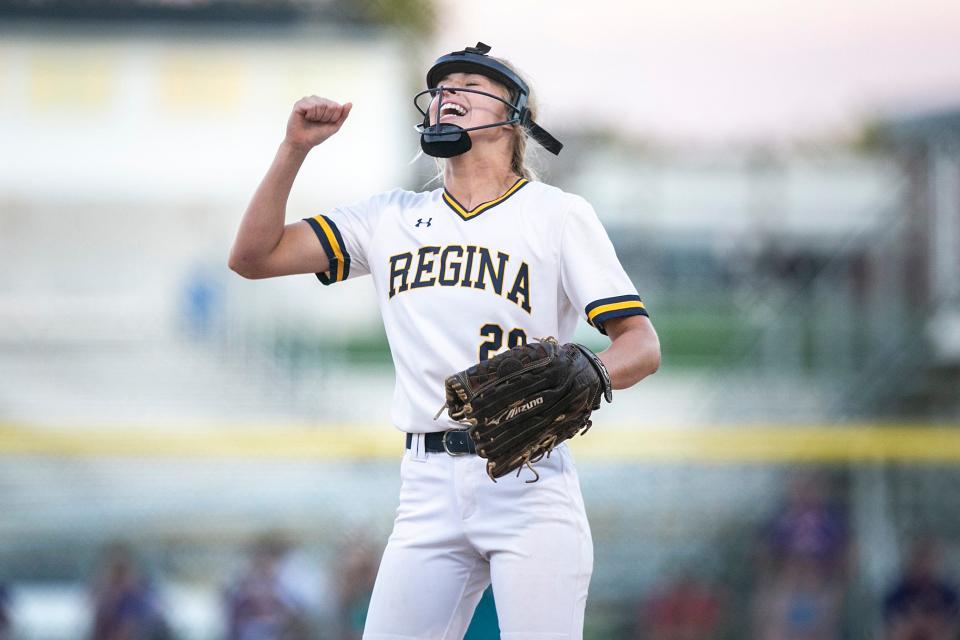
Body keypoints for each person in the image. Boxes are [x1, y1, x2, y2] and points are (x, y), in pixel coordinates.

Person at [229, 42, 661, 640]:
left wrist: (593, 370)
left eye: (471, 85)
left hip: (528, 478)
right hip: (427, 483)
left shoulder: (556, 214)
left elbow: (641, 342)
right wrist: (293, 150)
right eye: (442, 85)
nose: (449, 92)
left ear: (516, 119)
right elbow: (253, 256)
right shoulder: (389, 218)